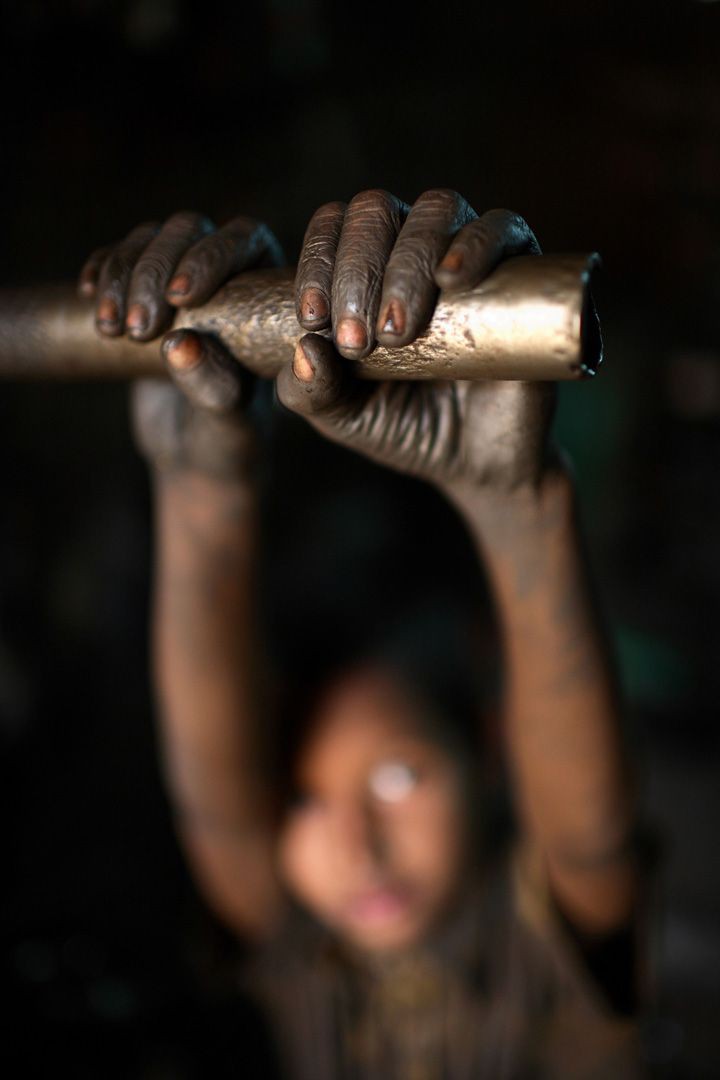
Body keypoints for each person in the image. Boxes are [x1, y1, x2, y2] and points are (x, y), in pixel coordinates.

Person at [79, 190, 643, 1078]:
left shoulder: (545, 932)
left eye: (398, 775)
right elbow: (219, 806)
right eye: (303, 801)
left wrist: (517, 503)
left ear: (488, 750)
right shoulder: (298, 944)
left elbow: (591, 839)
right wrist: (200, 491)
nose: (357, 849)